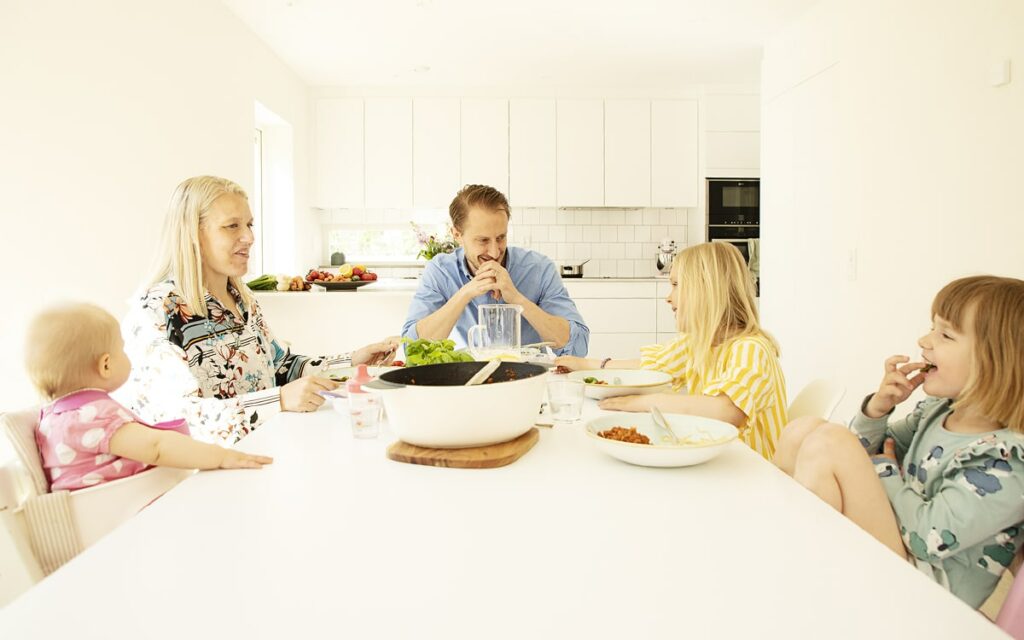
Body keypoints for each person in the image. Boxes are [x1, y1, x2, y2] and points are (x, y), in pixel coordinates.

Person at [774, 276, 1024, 608]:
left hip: (923, 596)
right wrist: (878, 409)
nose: (925, 341)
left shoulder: (1006, 460)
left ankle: (795, 571)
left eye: (945, 335)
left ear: (996, 363)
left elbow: (926, 537)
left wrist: (886, 469)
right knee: (804, 429)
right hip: (896, 551)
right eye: (932, 328)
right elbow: (863, 450)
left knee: (830, 441)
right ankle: (784, 549)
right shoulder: (938, 412)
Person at [118, 176, 397, 444]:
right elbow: (177, 419)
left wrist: (353, 361)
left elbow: (280, 366)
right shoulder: (156, 310)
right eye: (232, 226)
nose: (249, 237)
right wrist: (279, 400)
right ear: (192, 234)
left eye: (249, 224)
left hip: (264, 451)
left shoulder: (241, 297)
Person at [556, 242, 787, 459]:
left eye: (676, 285)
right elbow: (648, 366)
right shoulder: (699, 343)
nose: (668, 298)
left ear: (705, 291)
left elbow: (726, 410)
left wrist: (644, 403)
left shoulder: (751, 349)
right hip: (720, 460)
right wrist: (586, 365)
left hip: (752, 470)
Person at [26, 304, 271, 491]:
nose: (126, 353)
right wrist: (223, 456)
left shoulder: (54, 417)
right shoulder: (94, 416)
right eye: (121, 348)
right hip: (117, 517)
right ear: (106, 365)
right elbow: (157, 447)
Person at [402, 184, 589, 356]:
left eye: (501, 237)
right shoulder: (440, 271)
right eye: (483, 240)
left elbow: (577, 347)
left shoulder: (538, 269)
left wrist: (517, 299)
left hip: (528, 378)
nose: (494, 251)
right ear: (457, 235)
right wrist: (465, 293)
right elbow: (412, 349)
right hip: (468, 379)